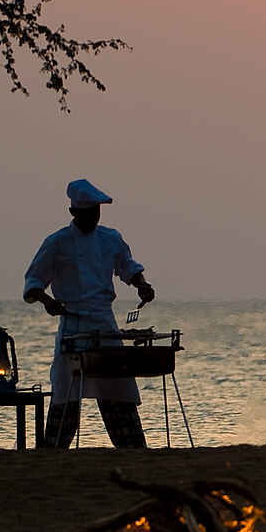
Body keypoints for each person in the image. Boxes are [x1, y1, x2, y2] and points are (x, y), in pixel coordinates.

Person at [23, 178, 157, 448]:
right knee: (65, 394)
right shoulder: (57, 242)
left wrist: (142, 285)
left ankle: (133, 448)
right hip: (73, 327)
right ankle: (54, 450)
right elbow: (33, 282)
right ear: (74, 213)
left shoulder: (110, 238)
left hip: (105, 326)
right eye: (87, 213)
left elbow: (128, 266)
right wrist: (48, 302)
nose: (92, 218)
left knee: (118, 391)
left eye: (96, 212)